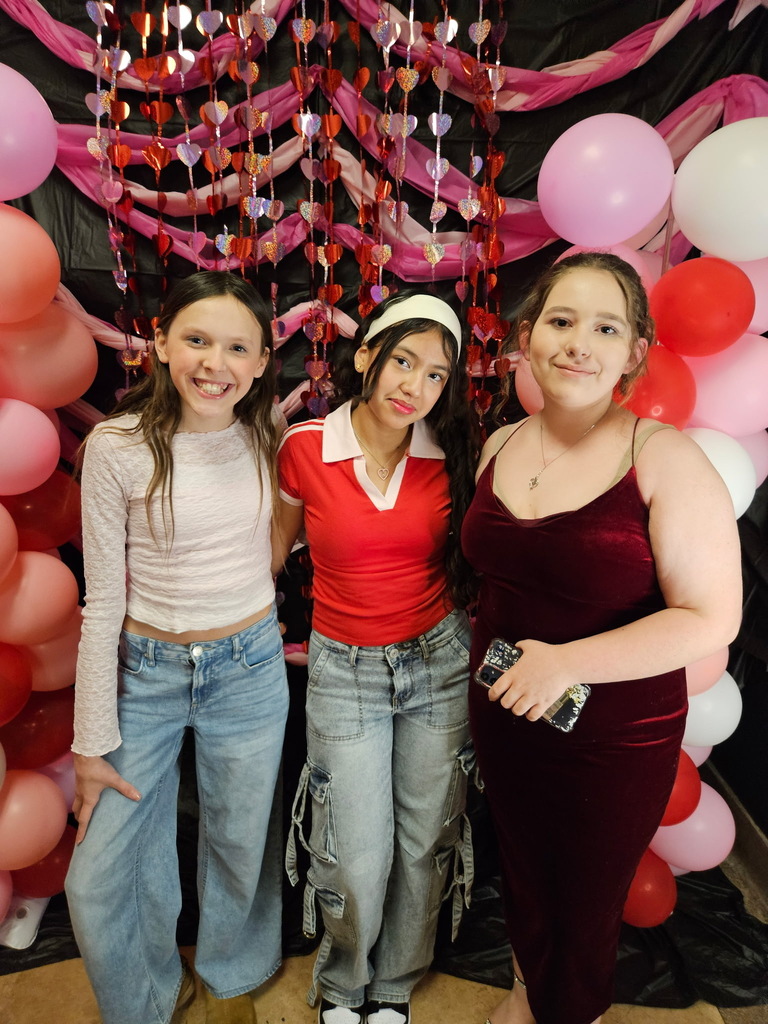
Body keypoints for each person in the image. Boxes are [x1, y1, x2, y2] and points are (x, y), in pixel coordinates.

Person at [461, 251, 742, 1024]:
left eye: (605, 326)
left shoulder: (664, 459)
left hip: (613, 738)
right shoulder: (499, 446)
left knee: (583, 907)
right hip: (509, 717)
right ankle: (526, 993)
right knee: (521, 872)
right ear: (527, 336)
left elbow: (712, 618)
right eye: (559, 320)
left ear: (634, 353)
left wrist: (567, 665)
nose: (578, 343)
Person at [65, 271, 289, 1024]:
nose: (213, 363)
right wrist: (91, 744)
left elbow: (275, 538)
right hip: (147, 674)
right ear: (161, 342)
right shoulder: (117, 446)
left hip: (250, 667)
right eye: (196, 339)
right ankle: (145, 1001)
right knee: (98, 874)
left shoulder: (269, 435)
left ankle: (234, 973)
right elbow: (102, 601)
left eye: (236, 347)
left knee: (238, 835)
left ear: (261, 361)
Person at [273, 292, 478, 1024]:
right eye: (402, 361)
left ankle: (394, 984)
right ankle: (343, 983)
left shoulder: (454, 453)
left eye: (434, 375)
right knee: (355, 851)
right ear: (366, 356)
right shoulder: (304, 447)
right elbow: (272, 553)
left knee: (425, 839)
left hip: (438, 662)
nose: (414, 387)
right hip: (345, 668)